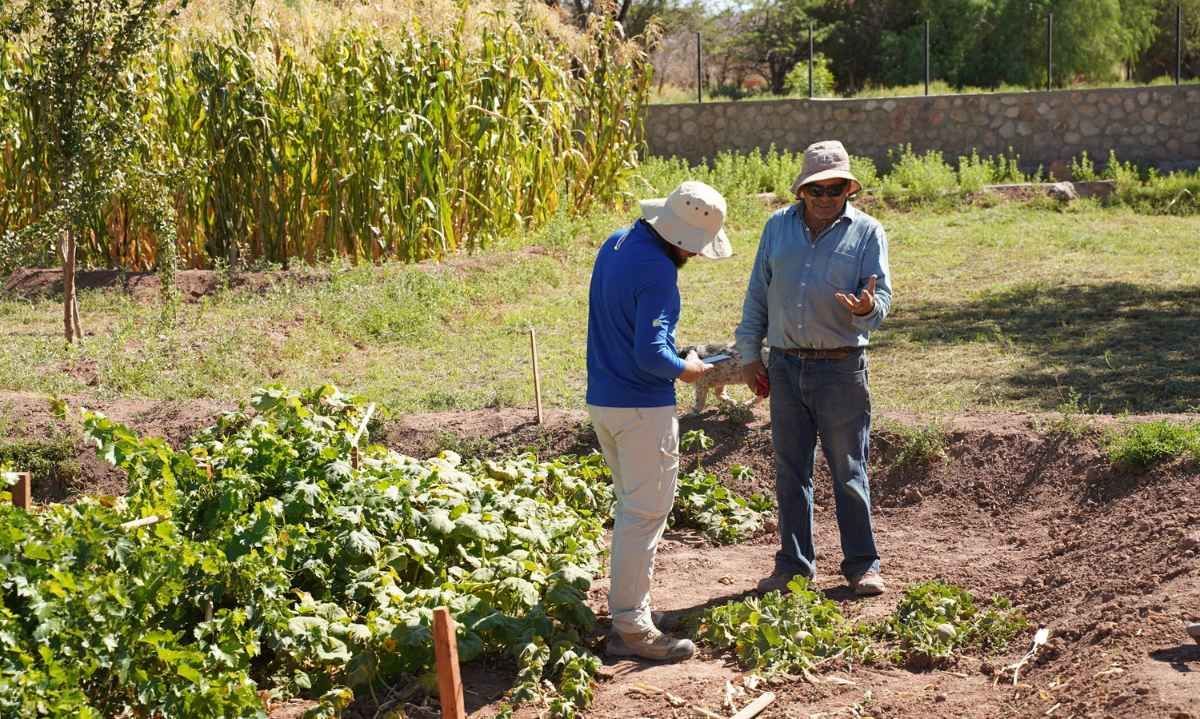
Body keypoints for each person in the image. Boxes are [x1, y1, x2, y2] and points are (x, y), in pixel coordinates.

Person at [734, 140, 892, 597]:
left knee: (848, 469)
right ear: (801, 190)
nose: (826, 198)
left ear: (849, 189)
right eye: (816, 190)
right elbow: (757, 295)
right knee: (790, 469)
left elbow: (881, 300)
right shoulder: (776, 228)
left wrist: (866, 308)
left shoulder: (867, 232)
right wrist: (750, 355)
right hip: (784, 365)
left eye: (835, 189)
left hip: (841, 367)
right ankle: (793, 566)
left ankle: (863, 565)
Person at [586, 180, 733, 661]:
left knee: (633, 509)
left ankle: (634, 610)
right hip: (641, 407)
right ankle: (630, 628)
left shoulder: (617, 241)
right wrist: (688, 368)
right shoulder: (658, 272)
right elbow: (651, 354)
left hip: (605, 399)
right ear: (685, 240)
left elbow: (627, 326)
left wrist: (671, 349)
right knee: (644, 515)